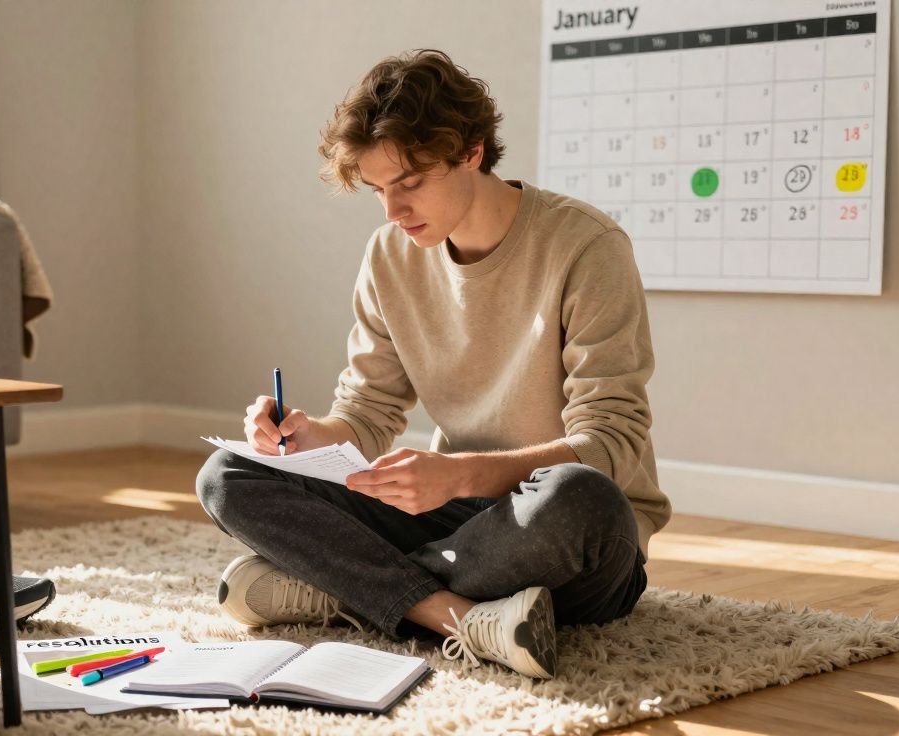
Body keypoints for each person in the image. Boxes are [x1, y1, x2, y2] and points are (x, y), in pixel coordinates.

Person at [195, 49, 670, 679]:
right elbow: (367, 413)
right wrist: (306, 439)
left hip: (556, 530)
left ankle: (343, 590)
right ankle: (456, 616)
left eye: (410, 182)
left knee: (581, 498)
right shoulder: (391, 254)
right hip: (453, 521)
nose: (393, 211)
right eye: (378, 190)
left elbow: (611, 443)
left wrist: (459, 474)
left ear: (471, 152)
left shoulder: (587, 247)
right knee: (227, 474)